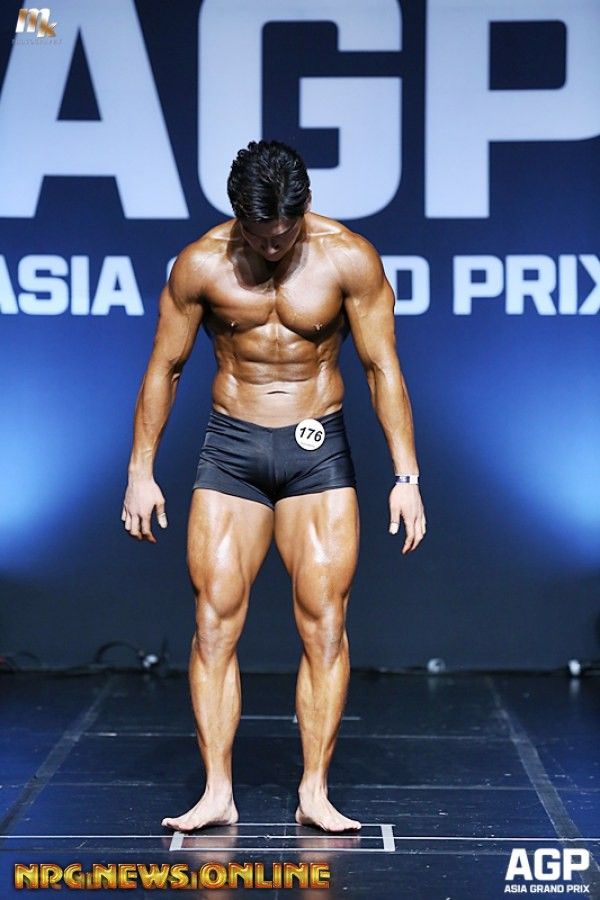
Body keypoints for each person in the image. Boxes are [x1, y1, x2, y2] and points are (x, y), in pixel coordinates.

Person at [121, 139, 426, 834]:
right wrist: (140, 471)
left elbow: (382, 367)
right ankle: (217, 791)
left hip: (317, 451)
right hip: (232, 449)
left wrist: (406, 476)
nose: (273, 246)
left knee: (325, 624)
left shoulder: (348, 258)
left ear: (304, 207)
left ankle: (314, 790)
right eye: (260, 235)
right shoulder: (201, 264)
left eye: (284, 233)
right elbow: (164, 367)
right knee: (213, 621)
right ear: (239, 216)